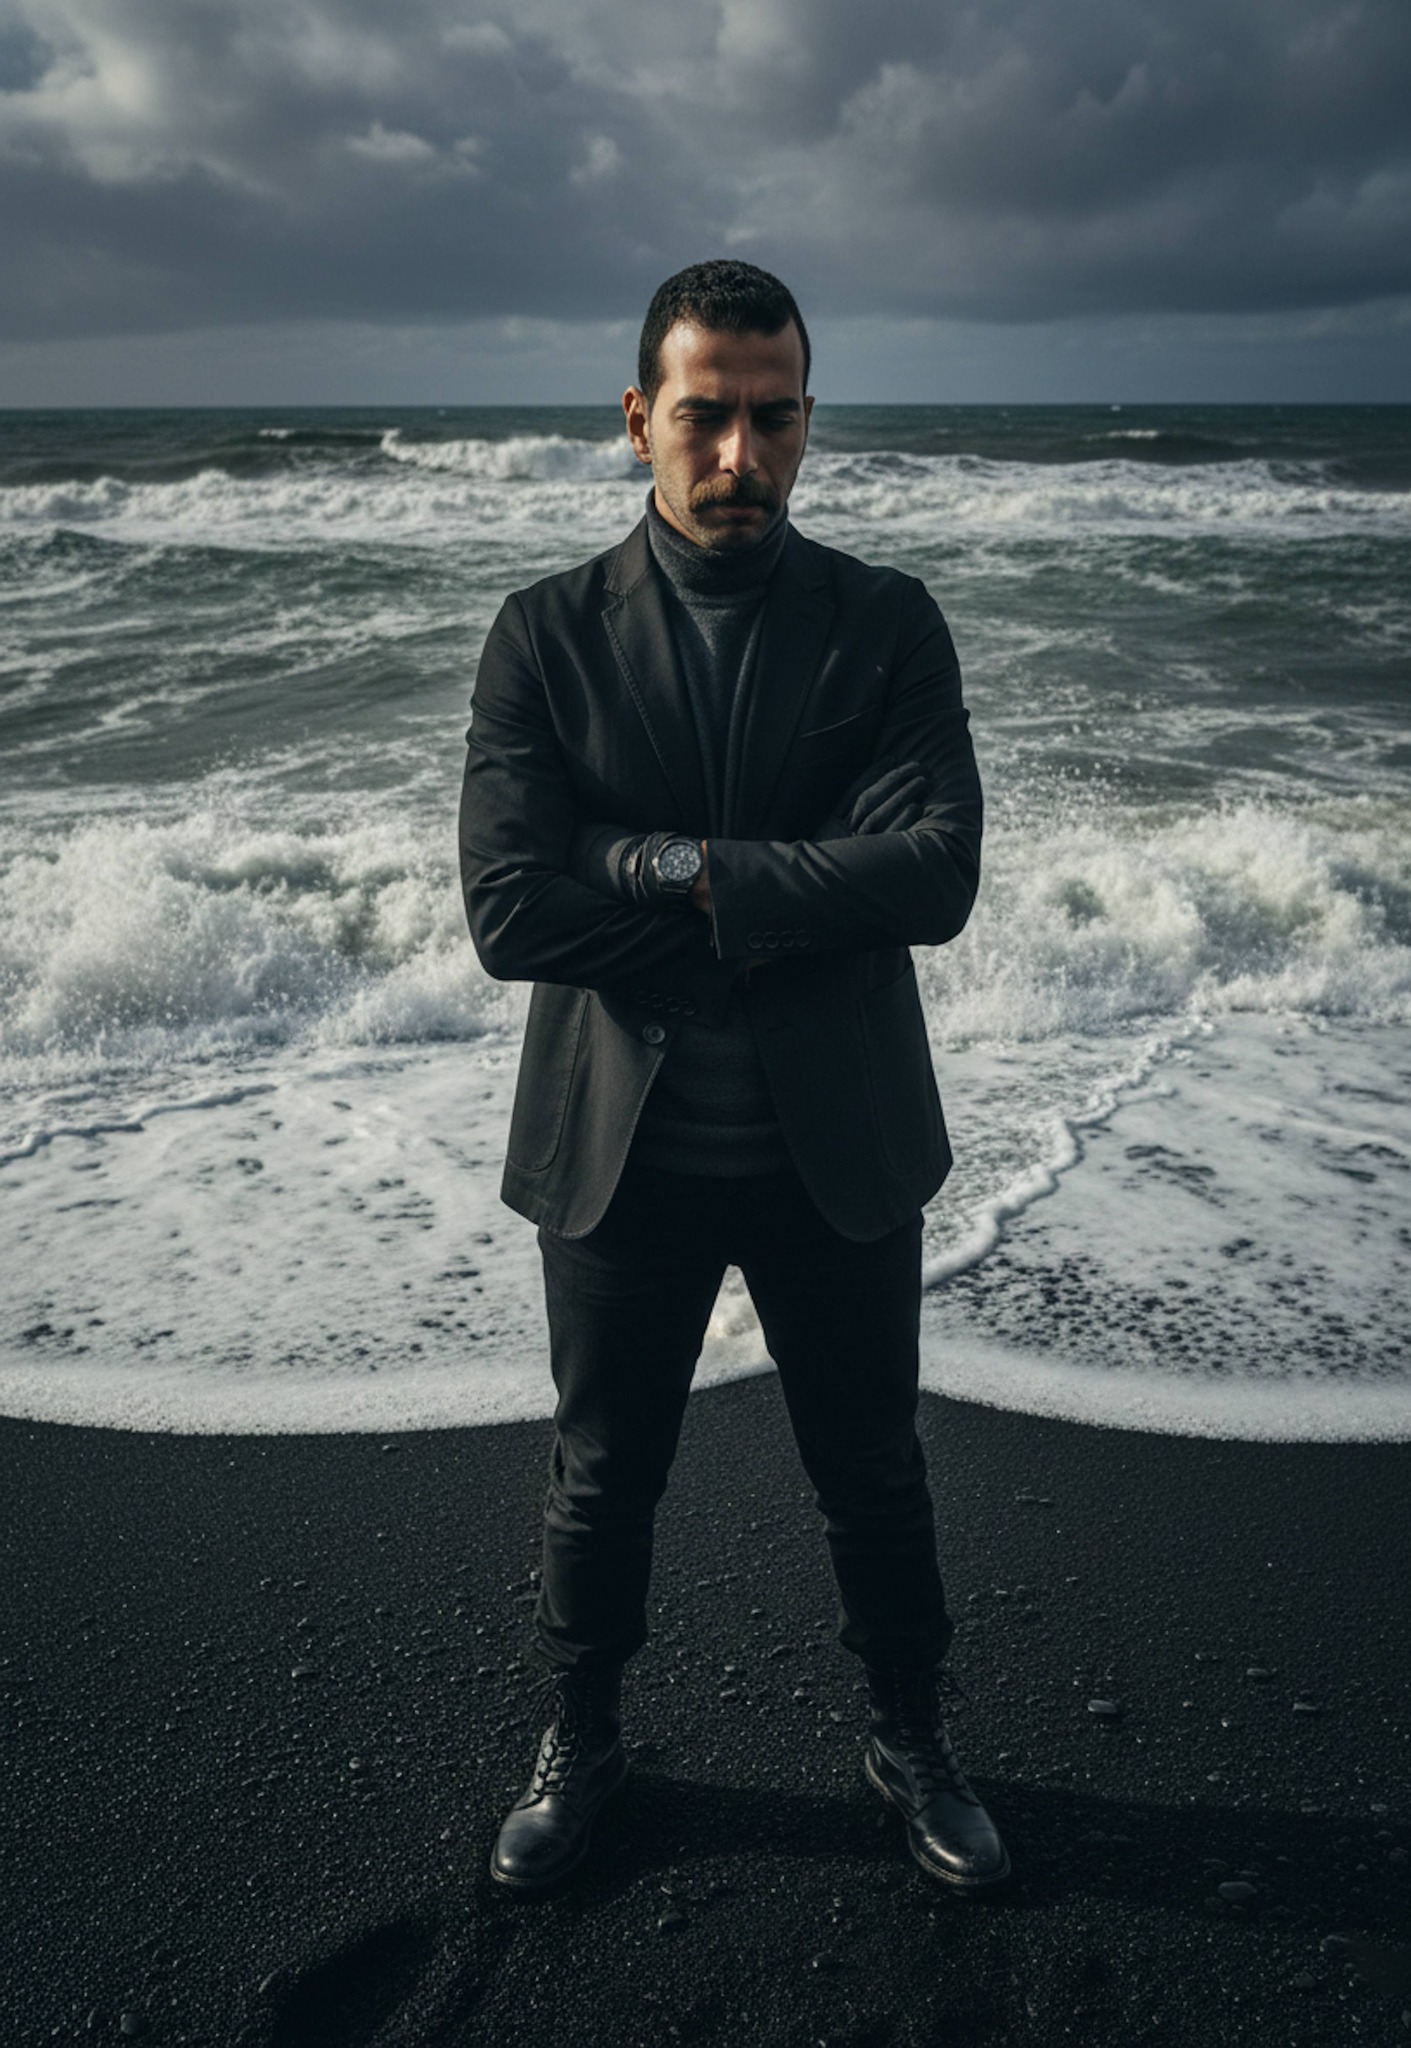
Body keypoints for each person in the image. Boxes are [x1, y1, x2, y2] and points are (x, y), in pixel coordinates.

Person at [458, 259, 1009, 1894]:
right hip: (619, 1147)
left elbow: (934, 877)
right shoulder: (545, 634)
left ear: (808, 423)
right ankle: (583, 1736)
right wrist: (787, 894)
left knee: (875, 1472)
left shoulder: (886, 623)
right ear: (640, 419)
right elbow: (508, 910)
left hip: (834, 1140)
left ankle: (911, 1737)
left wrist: (659, 867)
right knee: (600, 1476)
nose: (739, 456)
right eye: (706, 416)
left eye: (773, 420)